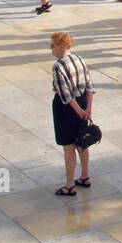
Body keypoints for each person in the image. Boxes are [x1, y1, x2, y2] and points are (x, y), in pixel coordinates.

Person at [48, 31, 94, 197]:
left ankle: (70, 185)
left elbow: (65, 95)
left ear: (61, 46)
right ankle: (85, 176)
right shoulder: (80, 59)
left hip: (66, 108)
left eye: (52, 45)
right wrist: (87, 109)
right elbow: (89, 86)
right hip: (82, 102)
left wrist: (79, 111)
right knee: (82, 142)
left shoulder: (58, 66)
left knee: (69, 147)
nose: (50, 49)